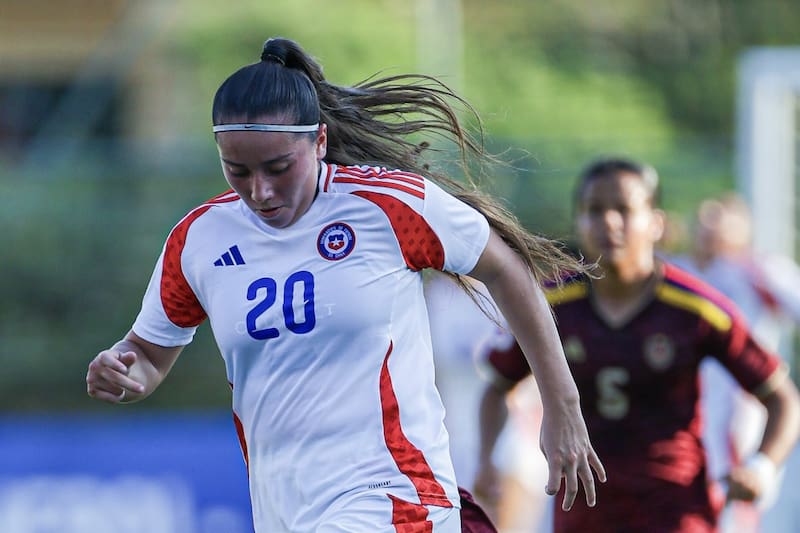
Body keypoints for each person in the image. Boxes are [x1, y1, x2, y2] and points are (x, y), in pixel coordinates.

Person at [85, 37, 605, 533]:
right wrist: (125, 369)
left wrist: (563, 405)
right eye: (237, 170)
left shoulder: (388, 208)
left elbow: (505, 267)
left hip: (394, 491)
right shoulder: (198, 240)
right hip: (282, 505)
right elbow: (150, 354)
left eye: (278, 167)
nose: (259, 190)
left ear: (320, 141)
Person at [474, 157, 800, 532]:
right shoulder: (551, 305)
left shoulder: (697, 308)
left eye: (624, 210)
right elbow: (497, 385)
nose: (609, 222)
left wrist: (762, 467)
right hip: (584, 512)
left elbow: (781, 397)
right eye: (594, 210)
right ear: (578, 221)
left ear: (656, 223)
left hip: (675, 510)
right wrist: (486, 463)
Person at [673, 193, 800, 533]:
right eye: (705, 214)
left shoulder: (761, 272)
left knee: (733, 505)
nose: (710, 224)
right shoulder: (673, 270)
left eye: (722, 215)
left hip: (739, 411)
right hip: (678, 405)